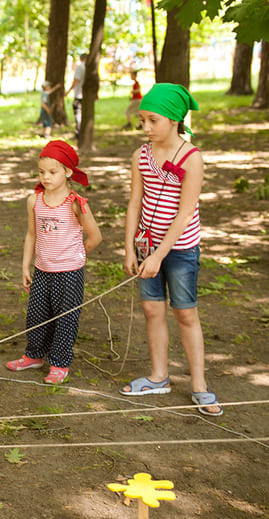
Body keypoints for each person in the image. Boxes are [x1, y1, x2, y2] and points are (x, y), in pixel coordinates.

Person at [120, 83, 222, 416]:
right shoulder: (141, 156)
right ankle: (159, 376)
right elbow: (135, 203)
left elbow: (184, 213)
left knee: (185, 314)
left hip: (178, 251)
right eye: (142, 121)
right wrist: (130, 249)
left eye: (152, 120)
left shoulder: (192, 159)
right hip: (146, 247)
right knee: (152, 311)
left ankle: (200, 386)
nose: (145, 128)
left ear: (174, 119)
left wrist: (159, 256)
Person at [6, 140, 102, 384]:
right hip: (42, 269)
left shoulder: (75, 204)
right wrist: (25, 266)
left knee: (65, 317)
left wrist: (78, 254)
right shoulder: (34, 200)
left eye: (52, 172)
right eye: (41, 172)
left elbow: (95, 236)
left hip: (69, 272)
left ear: (67, 172)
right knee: (37, 315)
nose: (45, 177)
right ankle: (34, 354)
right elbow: (31, 234)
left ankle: (59, 363)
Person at [65, 53, 87, 138]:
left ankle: (78, 132)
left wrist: (69, 91)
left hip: (79, 94)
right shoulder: (89, 67)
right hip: (86, 95)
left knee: (78, 113)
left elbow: (76, 80)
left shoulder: (80, 67)